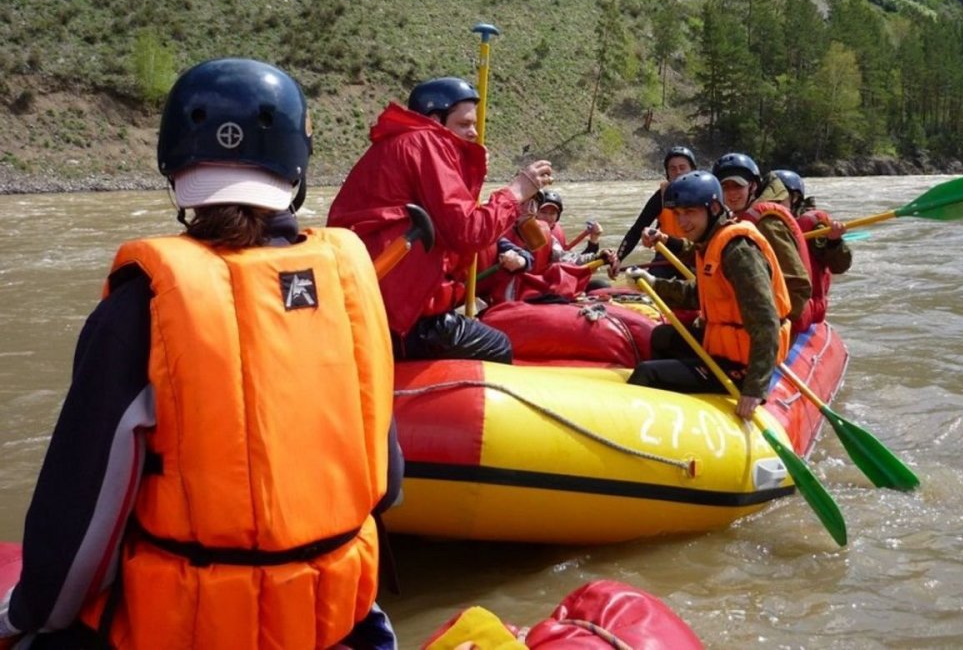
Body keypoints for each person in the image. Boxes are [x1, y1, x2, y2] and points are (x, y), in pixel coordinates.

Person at [0, 59, 403, 649]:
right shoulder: (349, 280)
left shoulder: (141, 306)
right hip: (335, 615)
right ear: (297, 164)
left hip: (195, 629)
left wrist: (26, 614)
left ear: (174, 163)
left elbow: (81, 515)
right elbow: (387, 484)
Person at [327, 76, 554, 363]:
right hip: (400, 313)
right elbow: (467, 231)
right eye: (464, 124)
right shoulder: (424, 142)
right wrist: (516, 192)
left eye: (474, 124)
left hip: (374, 300)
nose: (474, 133)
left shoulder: (402, 144)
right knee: (497, 346)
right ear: (435, 119)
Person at [624, 170, 791, 420]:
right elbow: (702, 294)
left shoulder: (738, 252)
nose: (682, 222)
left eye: (690, 212)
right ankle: (683, 400)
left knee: (647, 373)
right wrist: (654, 283)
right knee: (662, 337)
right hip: (724, 345)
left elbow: (765, 320)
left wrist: (754, 389)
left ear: (713, 208)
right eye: (678, 214)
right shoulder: (711, 241)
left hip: (741, 364)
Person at [714, 153, 814, 333]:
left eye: (737, 186)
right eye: (724, 187)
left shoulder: (767, 225)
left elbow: (798, 285)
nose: (731, 194)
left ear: (752, 186)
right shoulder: (732, 220)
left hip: (778, 322)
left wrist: (769, 327)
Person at [772, 169, 852, 325]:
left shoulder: (813, 226)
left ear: (795, 199)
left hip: (807, 306)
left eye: (780, 197)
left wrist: (834, 242)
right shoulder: (765, 223)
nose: (773, 202)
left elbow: (839, 266)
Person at [613, 146, 697, 274]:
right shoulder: (661, 197)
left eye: (682, 167)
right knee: (655, 274)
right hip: (667, 257)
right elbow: (637, 230)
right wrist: (618, 258)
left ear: (693, 169)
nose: (678, 172)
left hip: (695, 257)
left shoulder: (705, 194)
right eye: (673, 169)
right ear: (667, 173)